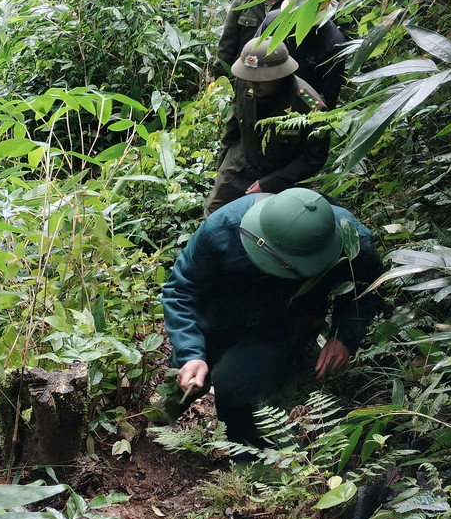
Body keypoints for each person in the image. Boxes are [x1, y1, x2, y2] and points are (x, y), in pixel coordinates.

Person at [162, 188, 383, 446]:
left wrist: (343, 336)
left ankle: (248, 455)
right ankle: (157, 425)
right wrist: (191, 353)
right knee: (183, 374)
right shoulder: (223, 228)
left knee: (237, 390)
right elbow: (181, 290)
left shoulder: (353, 243)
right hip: (218, 311)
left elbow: (367, 291)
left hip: (277, 325)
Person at [204, 37, 329, 217]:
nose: (252, 85)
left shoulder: (309, 107)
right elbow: (233, 125)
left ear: (280, 75)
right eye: (249, 78)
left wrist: (271, 183)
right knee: (214, 217)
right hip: (241, 166)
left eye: (260, 80)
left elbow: (313, 158)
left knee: (268, 227)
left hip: (283, 180)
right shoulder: (245, 81)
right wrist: (222, 167)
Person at [253, 0, 349, 108]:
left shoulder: (333, 42)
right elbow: (252, 54)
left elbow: (330, 93)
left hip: (302, 102)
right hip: (262, 90)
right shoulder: (273, 20)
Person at [216, 0, 293, 77]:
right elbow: (228, 43)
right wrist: (221, 75)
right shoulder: (243, 2)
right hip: (246, 71)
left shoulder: (292, 3)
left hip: (280, 72)